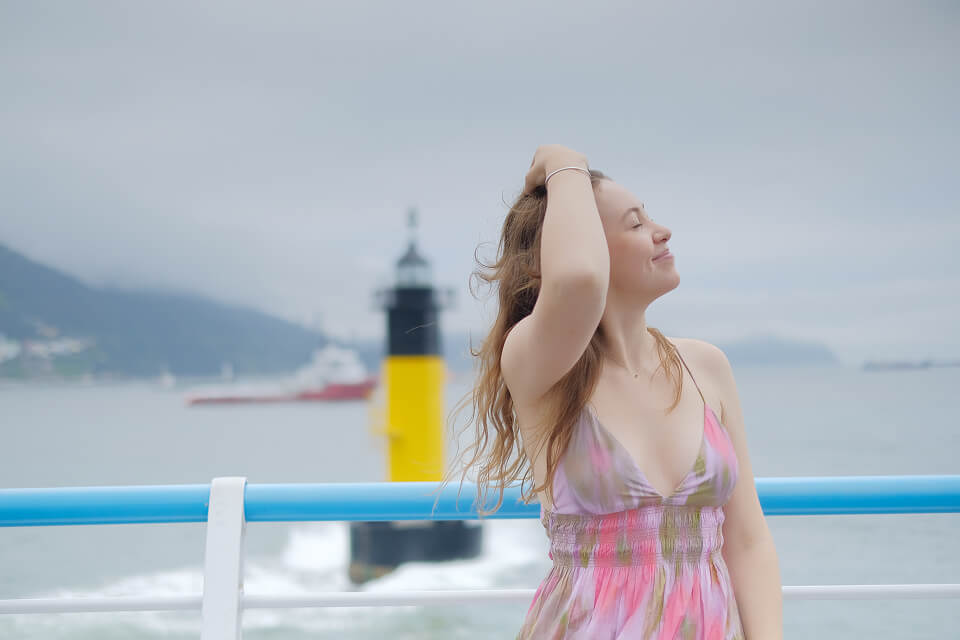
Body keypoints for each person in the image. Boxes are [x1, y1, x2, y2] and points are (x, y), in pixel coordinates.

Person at [441, 144, 783, 639]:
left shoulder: (706, 366)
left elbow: (748, 542)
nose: (662, 231)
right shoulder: (540, 366)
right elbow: (579, 280)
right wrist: (562, 160)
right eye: (635, 224)